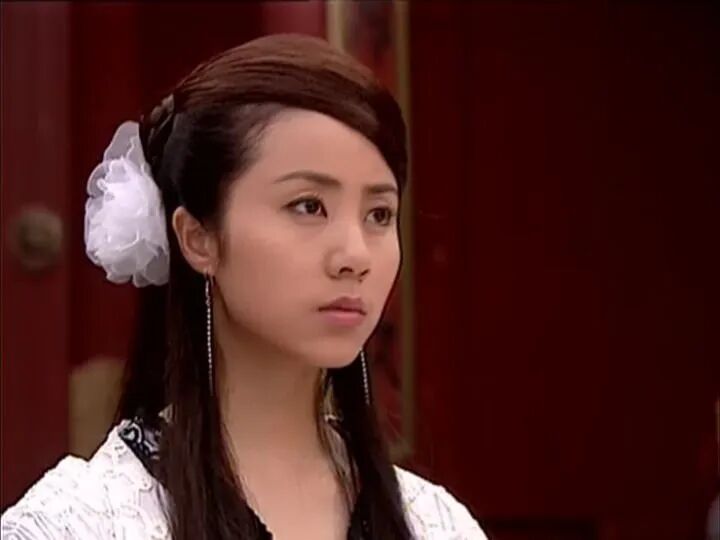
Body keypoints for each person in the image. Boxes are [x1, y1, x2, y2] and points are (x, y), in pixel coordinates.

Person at [1, 34, 487, 540]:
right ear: (199, 238)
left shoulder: (435, 523)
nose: (355, 256)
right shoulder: (79, 523)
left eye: (379, 214)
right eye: (308, 206)